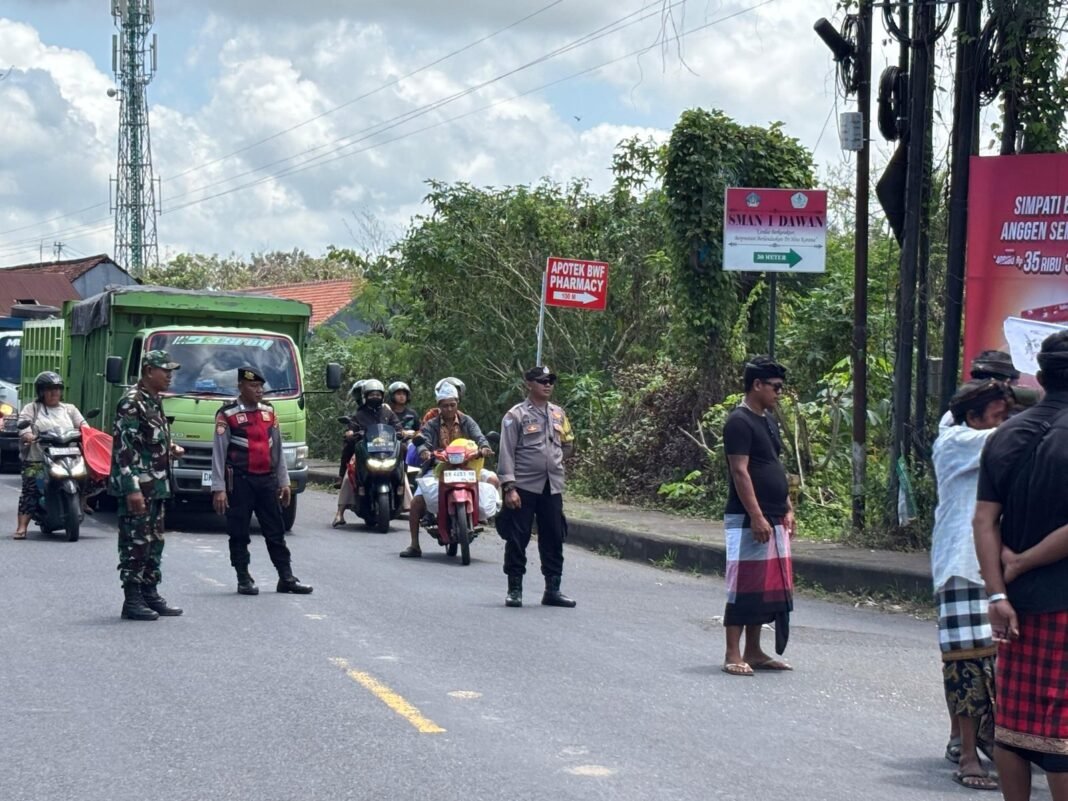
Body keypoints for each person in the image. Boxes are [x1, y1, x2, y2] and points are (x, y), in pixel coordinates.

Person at [974, 330, 1068, 800]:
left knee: (1013, 724)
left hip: (1014, 605)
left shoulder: (1005, 434)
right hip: (1061, 601)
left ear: (1042, 378)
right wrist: (1025, 563)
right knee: (1062, 732)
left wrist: (998, 590)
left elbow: (984, 519)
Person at [931, 380, 1012, 791]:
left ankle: (986, 741)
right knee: (966, 664)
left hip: (993, 566)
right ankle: (967, 755)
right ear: (974, 417)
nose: (1004, 422)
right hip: (961, 565)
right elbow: (1010, 437)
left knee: (996, 664)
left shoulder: (975, 433)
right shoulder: (956, 441)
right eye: (998, 415)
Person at [721, 356, 795, 676]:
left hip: (774, 515)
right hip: (748, 518)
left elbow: (774, 466)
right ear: (757, 385)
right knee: (744, 584)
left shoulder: (768, 421)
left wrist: (787, 506)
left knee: (764, 587)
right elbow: (740, 471)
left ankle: (754, 650)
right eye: (775, 387)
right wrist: (756, 515)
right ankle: (732, 653)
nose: (779, 393)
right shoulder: (738, 422)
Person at [212, 367, 312, 596]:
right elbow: (219, 453)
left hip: (266, 481)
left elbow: (277, 450)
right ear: (241, 387)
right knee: (239, 532)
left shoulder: (269, 412)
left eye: (260, 386)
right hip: (240, 482)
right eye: (253, 386)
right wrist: (219, 488)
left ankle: (286, 577)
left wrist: (284, 482)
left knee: (275, 531)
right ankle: (243, 577)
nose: (259, 391)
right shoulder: (227, 414)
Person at [109, 350, 184, 621]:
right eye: (165, 370)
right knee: (135, 542)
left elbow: (148, 440)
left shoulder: (153, 400)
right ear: (149, 370)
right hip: (139, 487)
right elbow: (123, 449)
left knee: (154, 542)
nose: (169, 375)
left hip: (157, 486)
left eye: (171, 371)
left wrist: (170, 448)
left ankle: (149, 592)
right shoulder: (131, 402)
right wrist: (132, 488)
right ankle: (132, 599)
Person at [496, 365, 576, 608]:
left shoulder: (558, 414)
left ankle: (553, 589)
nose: (547, 384)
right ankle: (515, 589)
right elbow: (506, 452)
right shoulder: (515, 415)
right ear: (529, 384)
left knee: (554, 536)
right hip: (524, 486)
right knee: (517, 538)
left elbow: (568, 443)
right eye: (542, 381)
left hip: (552, 486)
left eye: (550, 380)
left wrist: (555, 460)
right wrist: (509, 487)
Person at [399, 381, 492, 558]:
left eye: (452, 405)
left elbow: (479, 436)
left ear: (457, 404)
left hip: (468, 467)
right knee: (416, 503)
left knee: (493, 480)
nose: (449, 409)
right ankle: (414, 545)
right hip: (437, 467)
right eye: (445, 406)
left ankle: (482, 515)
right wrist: (424, 451)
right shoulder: (431, 424)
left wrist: (485, 447)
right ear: (439, 406)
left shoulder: (467, 421)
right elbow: (423, 440)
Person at [14, 372, 88, 539]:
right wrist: (28, 435)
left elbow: (84, 426)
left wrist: (88, 434)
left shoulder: (69, 409)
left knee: (89, 474)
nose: (54, 392)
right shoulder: (32, 408)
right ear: (41, 392)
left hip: (68, 455)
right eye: (49, 389)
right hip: (38, 458)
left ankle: (83, 500)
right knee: (30, 490)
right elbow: (23, 424)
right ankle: (21, 527)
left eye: (57, 389)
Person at [333, 378, 403, 527]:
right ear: (365, 396)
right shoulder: (359, 414)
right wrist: (350, 433)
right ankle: (339, 513)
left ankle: (407, 502)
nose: (375, 397)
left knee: (401, 466)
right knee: (350, 473)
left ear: (382, 396)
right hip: (366, 452)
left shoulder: (388, 413)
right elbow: (351, 427)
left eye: (378, 394)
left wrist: (401, 432)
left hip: (385, 452)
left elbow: (397, 426)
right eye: (371, 395)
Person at [336, 379, 366, 487]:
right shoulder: (356, 412)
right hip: (361, 441)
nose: (361, 396)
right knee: (348, 443)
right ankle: (342, 475)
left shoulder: (383, 409)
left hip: (379, 443)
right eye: (359, 393)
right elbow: (351, 424)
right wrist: (350, 432)